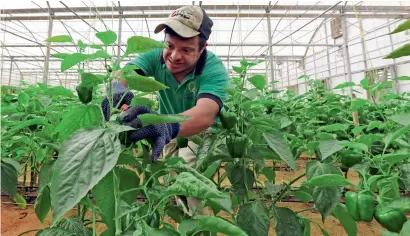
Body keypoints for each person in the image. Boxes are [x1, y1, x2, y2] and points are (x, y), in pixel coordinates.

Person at [102, 6, 229, 216]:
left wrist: (164, 125)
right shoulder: (156, 56)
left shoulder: (213, 69)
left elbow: (205, 113)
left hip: (201, 133)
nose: (174, 56)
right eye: (169, 45)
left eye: (186, 50)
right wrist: (117, 92)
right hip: (168, 130)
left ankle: (201, 227)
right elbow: (125, 74)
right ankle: (187, 225)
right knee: (174, 182)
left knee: (190, 180)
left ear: (203, 47)